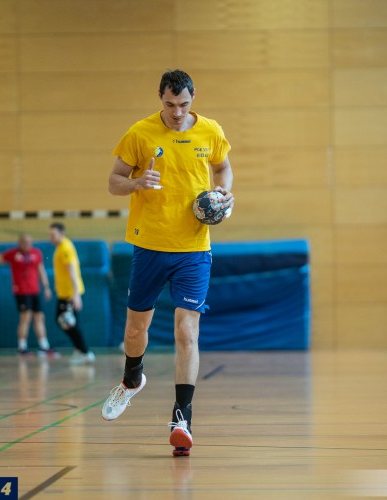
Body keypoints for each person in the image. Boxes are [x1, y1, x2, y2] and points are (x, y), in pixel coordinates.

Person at [101, 69, 235, 457]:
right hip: (148, 245)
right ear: (160, 99)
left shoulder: (210, 131)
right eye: (170, 105)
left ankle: (183, 417)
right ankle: (131, 380)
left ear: (193, 99)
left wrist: (226, 192)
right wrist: (135, 184)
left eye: (184, 105)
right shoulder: (140, 134)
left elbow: (222, 167)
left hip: (194, 247)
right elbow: (113, 181)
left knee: (186, 332)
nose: (177, 113)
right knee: (135, 330)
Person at [0, 234, 55, 357]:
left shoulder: (36, 253)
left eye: (29, 242)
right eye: (24, 242)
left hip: (35, 291)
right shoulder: (13, 254)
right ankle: (22, 347)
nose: (26, 244)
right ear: (20, 242)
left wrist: (46, 287)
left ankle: (44, 346)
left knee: (39, 317)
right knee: (25, 318)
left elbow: (41, 270)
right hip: (21, 292)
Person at [48, 222, 95, 364]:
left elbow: (72, 271)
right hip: (64, 292)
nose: (50, 237)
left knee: (68, 322)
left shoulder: (65, 248)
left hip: (69, 294)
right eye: (49, 235)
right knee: (67, 322)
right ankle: (80, 350)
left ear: (61, 234)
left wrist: (75, 295)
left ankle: (85, 352)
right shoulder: (61, 247)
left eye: (53, 235)